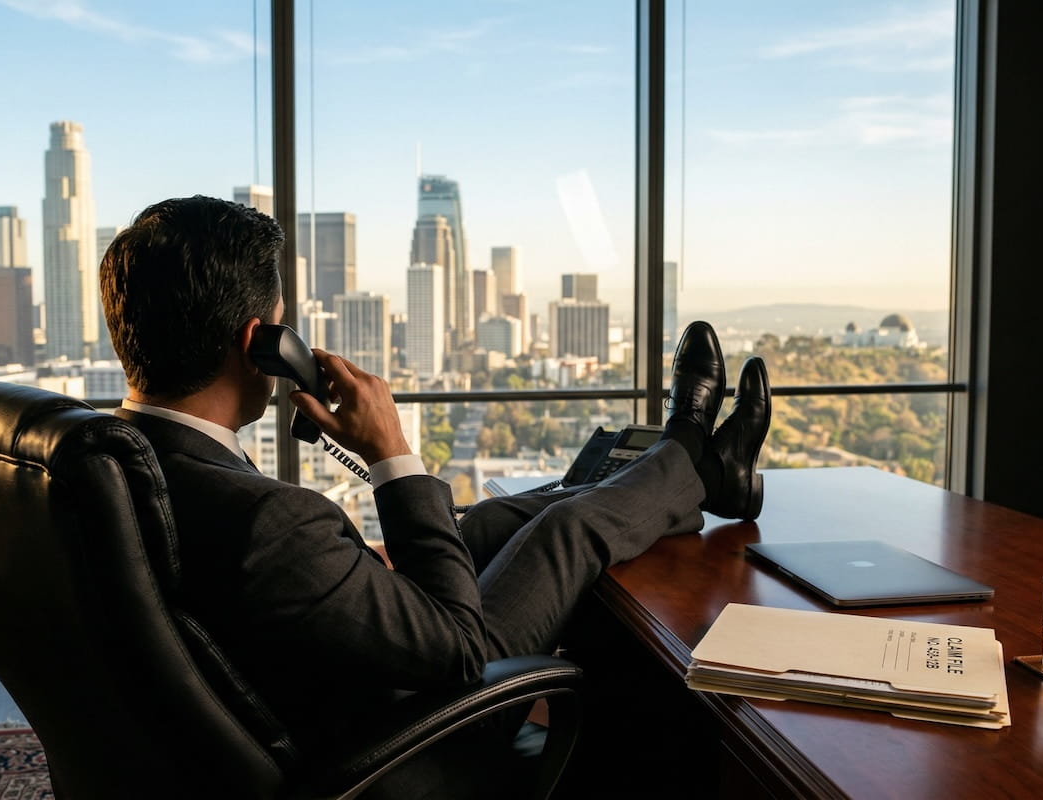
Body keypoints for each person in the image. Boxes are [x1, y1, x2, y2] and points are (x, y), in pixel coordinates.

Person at [99, 195, 772, 798]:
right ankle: (689, 450)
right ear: (263, 345)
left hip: (294, 703)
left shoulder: (117, 464)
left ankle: (704, 474)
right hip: (400, 755)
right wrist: (391, 451)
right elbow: (459, 646)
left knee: (487, 524)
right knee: (564, 531)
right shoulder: (264, 522)